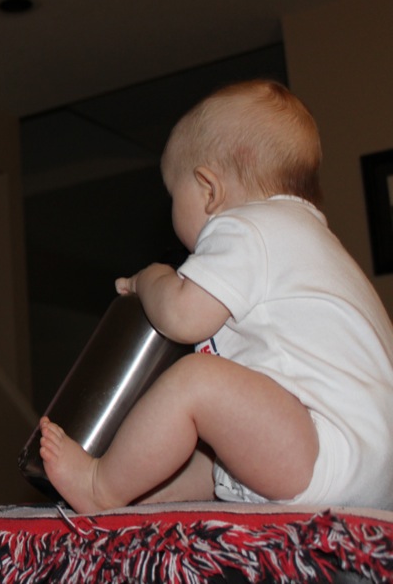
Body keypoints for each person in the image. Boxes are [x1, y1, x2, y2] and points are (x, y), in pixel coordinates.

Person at [39, 79, 393, 513]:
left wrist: (151, 278)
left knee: (197, 382)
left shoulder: (247, 227)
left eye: (175, 196)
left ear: (209, 190)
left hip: (324, 455)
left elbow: (182, 317)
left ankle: (100, 486)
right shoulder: (313, 242)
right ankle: (141, 495)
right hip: (373, 472)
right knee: (214, 451)